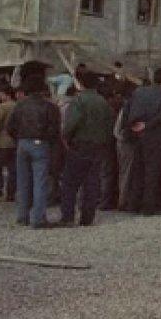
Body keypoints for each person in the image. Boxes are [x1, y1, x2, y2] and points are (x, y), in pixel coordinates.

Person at [60, 72, 115, 226]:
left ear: (81, 83)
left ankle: (68, 216)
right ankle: (87, 217)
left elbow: (71, 124)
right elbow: (109, 124)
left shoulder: (79, 100)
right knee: (92, 183)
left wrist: (66, 137)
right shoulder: (103, 102)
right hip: (98, 146)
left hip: (80, 144)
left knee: (70, 183)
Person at [7, 75, 62, 228]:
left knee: (23, 181)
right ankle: (38, 218)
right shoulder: (49, 107)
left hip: (22, 143)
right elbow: (54, 130)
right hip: (40, 144)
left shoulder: (20, 105)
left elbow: (10, 127)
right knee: (40, 182)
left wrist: (19, 138)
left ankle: (22, 216)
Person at [121, 69, 161, 216]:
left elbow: (126, 109)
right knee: (152, 171)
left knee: (137, 170)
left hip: (136, 135)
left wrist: (130, 127)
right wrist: (147, 125)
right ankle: (148, 206)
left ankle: (132, 204)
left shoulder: (138, 92)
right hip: (154, 136)